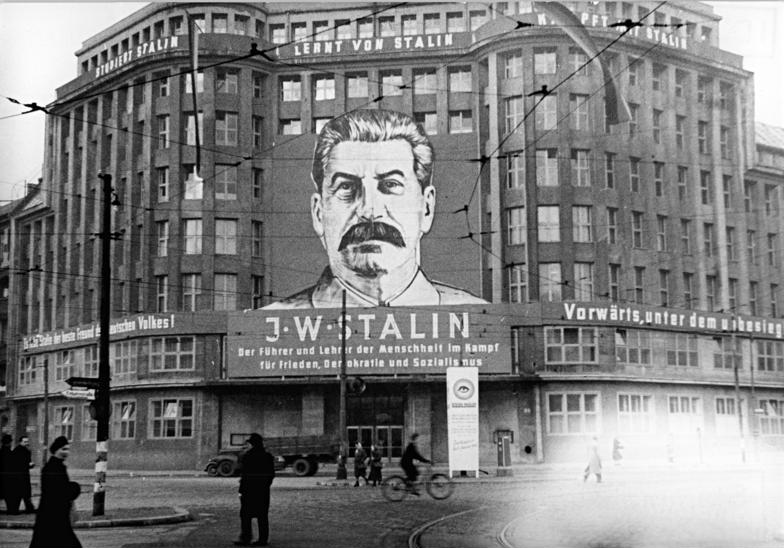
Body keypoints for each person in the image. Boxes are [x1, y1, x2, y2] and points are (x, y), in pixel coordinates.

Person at [264, 109, 487, 309]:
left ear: (426, 208)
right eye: (347, 187)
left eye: (390, 185)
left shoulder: (475, 316)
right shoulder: (270, 322)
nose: (370, 210)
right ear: (319, 213)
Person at [29, 436, 81, 548]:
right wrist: (75, 487)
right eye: (63, 449)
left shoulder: (55, 466)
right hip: (53, 516)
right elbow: (59, 491)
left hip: (52, 515)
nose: (66, 452)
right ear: (56, 450)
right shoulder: (53, 468)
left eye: (67, 449)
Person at [235, 433, 275, 547]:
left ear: (252, 444)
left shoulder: (248, 456)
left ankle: (246, 537)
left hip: (249, 490)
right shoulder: (267, 456)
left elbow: (245, 475)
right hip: (262, 490)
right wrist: (266, 485)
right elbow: (271, 475)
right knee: (262, 515)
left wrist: (241, 490)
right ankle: (263, 539)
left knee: (245, 514)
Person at [8, 435, 35, 514]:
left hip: (24, 474)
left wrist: (30, 464)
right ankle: (17, 509)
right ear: (20, 442)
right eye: (25, 442)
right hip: (19, 475)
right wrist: (29, 465)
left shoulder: (26, 450)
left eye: (27, 441)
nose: (26, 443)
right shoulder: (18, 451)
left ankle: (27, 509)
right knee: (21, 493)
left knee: (25, 493)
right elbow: (19, 464)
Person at [1, 433, 12, 512]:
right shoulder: (9, 453)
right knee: (8, 494)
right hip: (7, 477)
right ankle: (10, 509)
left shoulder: (1, 451)